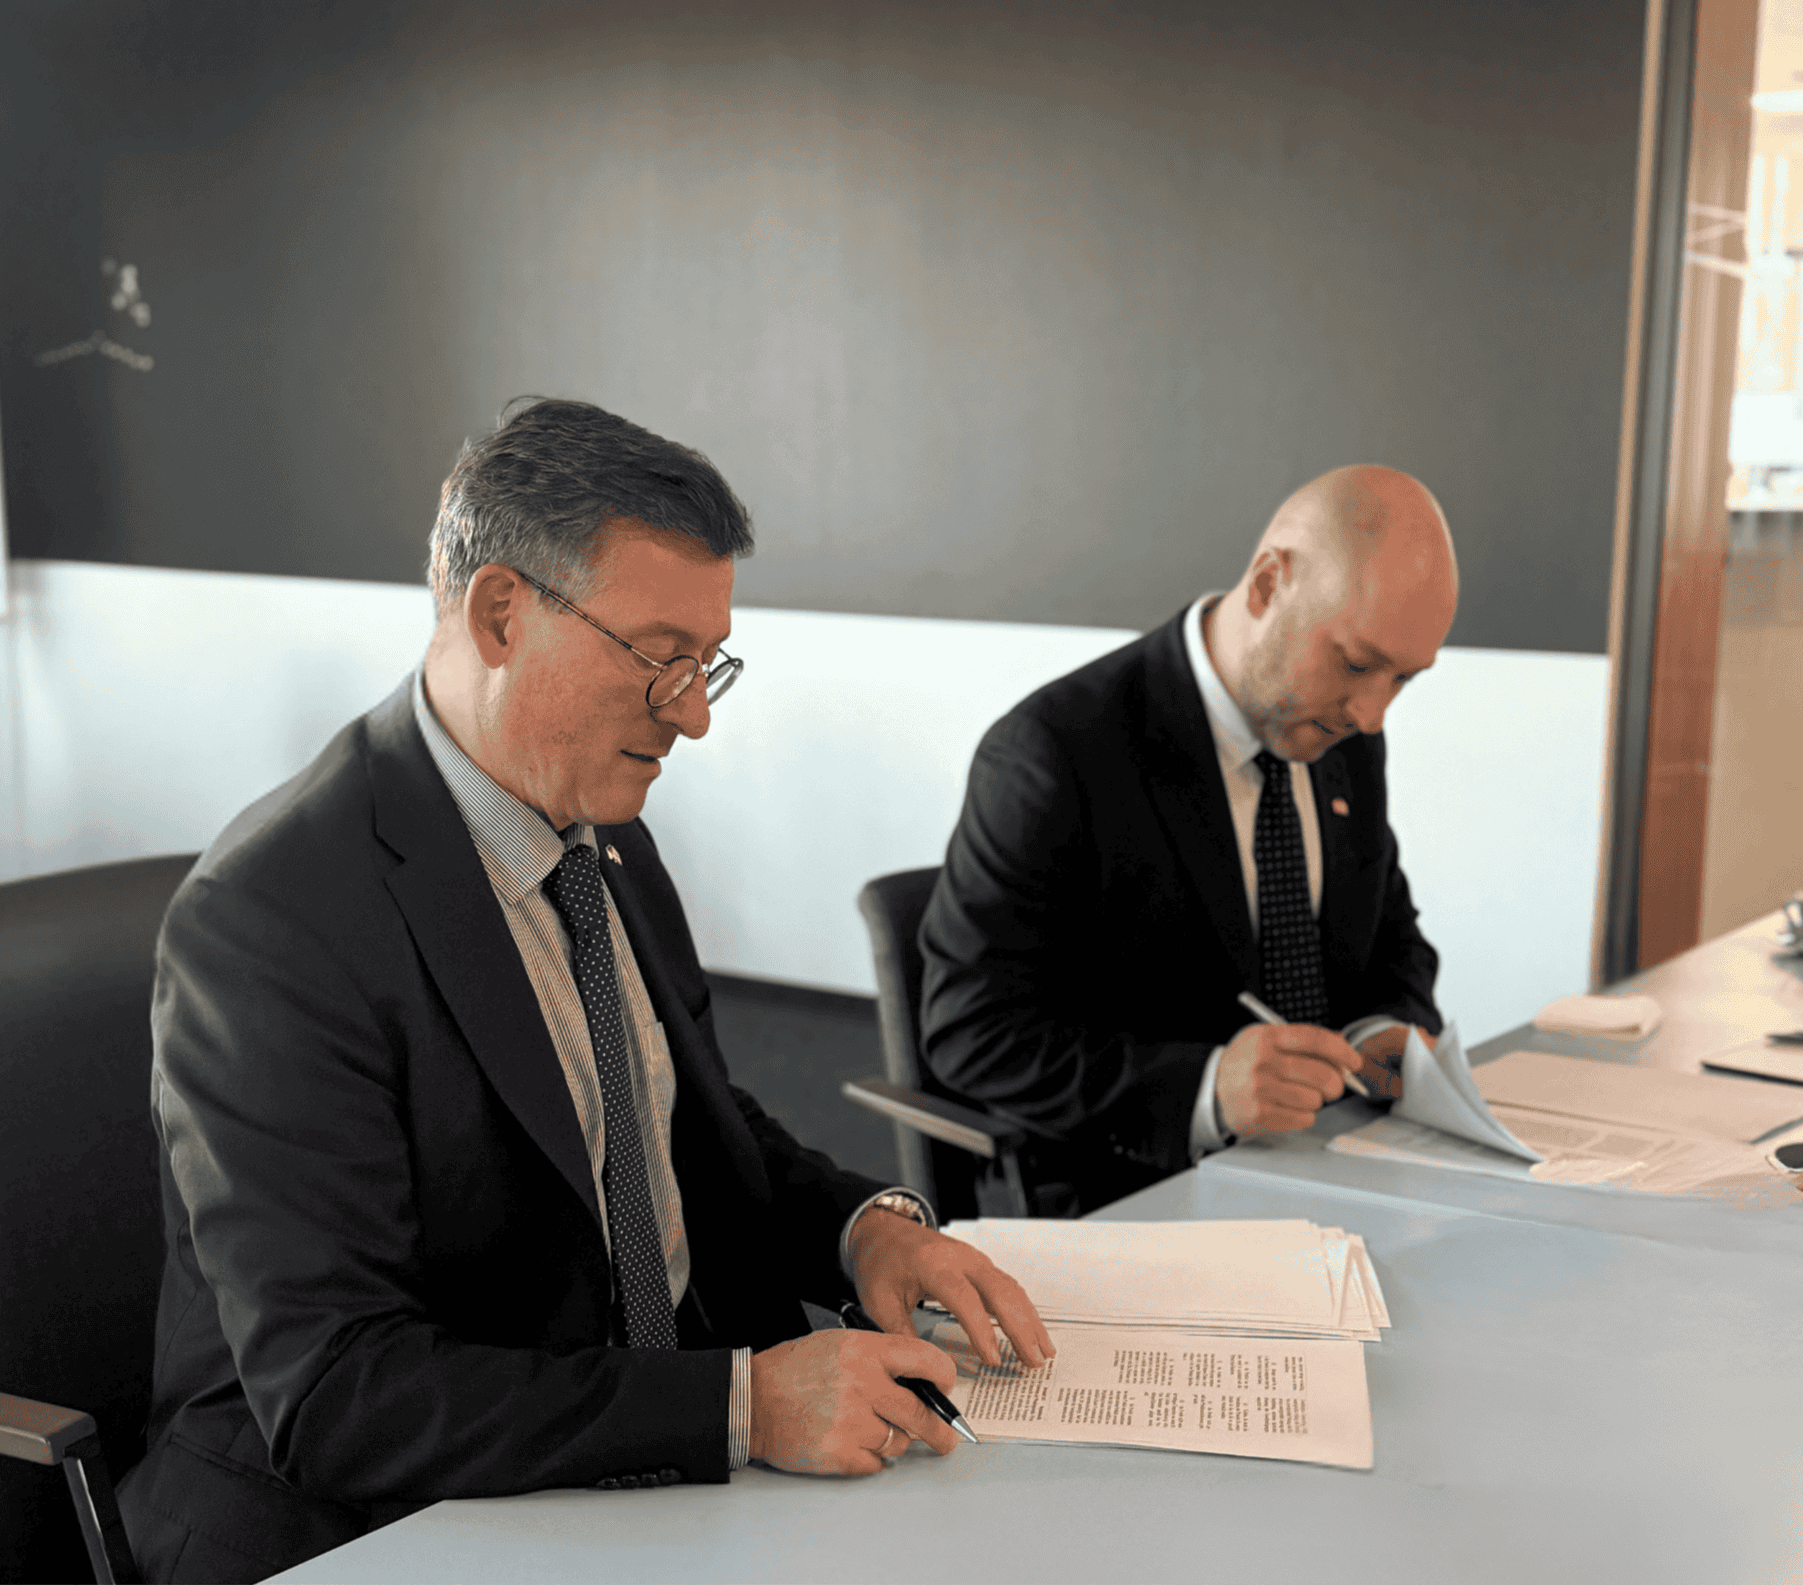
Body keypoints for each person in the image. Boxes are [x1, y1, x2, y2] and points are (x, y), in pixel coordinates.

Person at [119, 398, 1052, 1584]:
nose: (694, 714)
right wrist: (739, 1404)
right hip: (375, 1523)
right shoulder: (273, 920)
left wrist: (862, 1228)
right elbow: (340, 1393)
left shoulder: (602, 833)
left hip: (623, 1460)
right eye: (661, 658)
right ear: (501, 613)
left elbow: (683, 1128)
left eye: (706, 663)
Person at [918, 465, 1454, 1215]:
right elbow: (972, 1031)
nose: (1372, 713)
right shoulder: (1055, 752)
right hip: (1143, 1190)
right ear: (1268, 585)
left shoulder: (1345, 739)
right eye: (1358, 663)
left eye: (1404, 679)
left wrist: (1385, 1029)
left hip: (1333, 1166)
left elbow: (1390, 935)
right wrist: (1204, 1090)